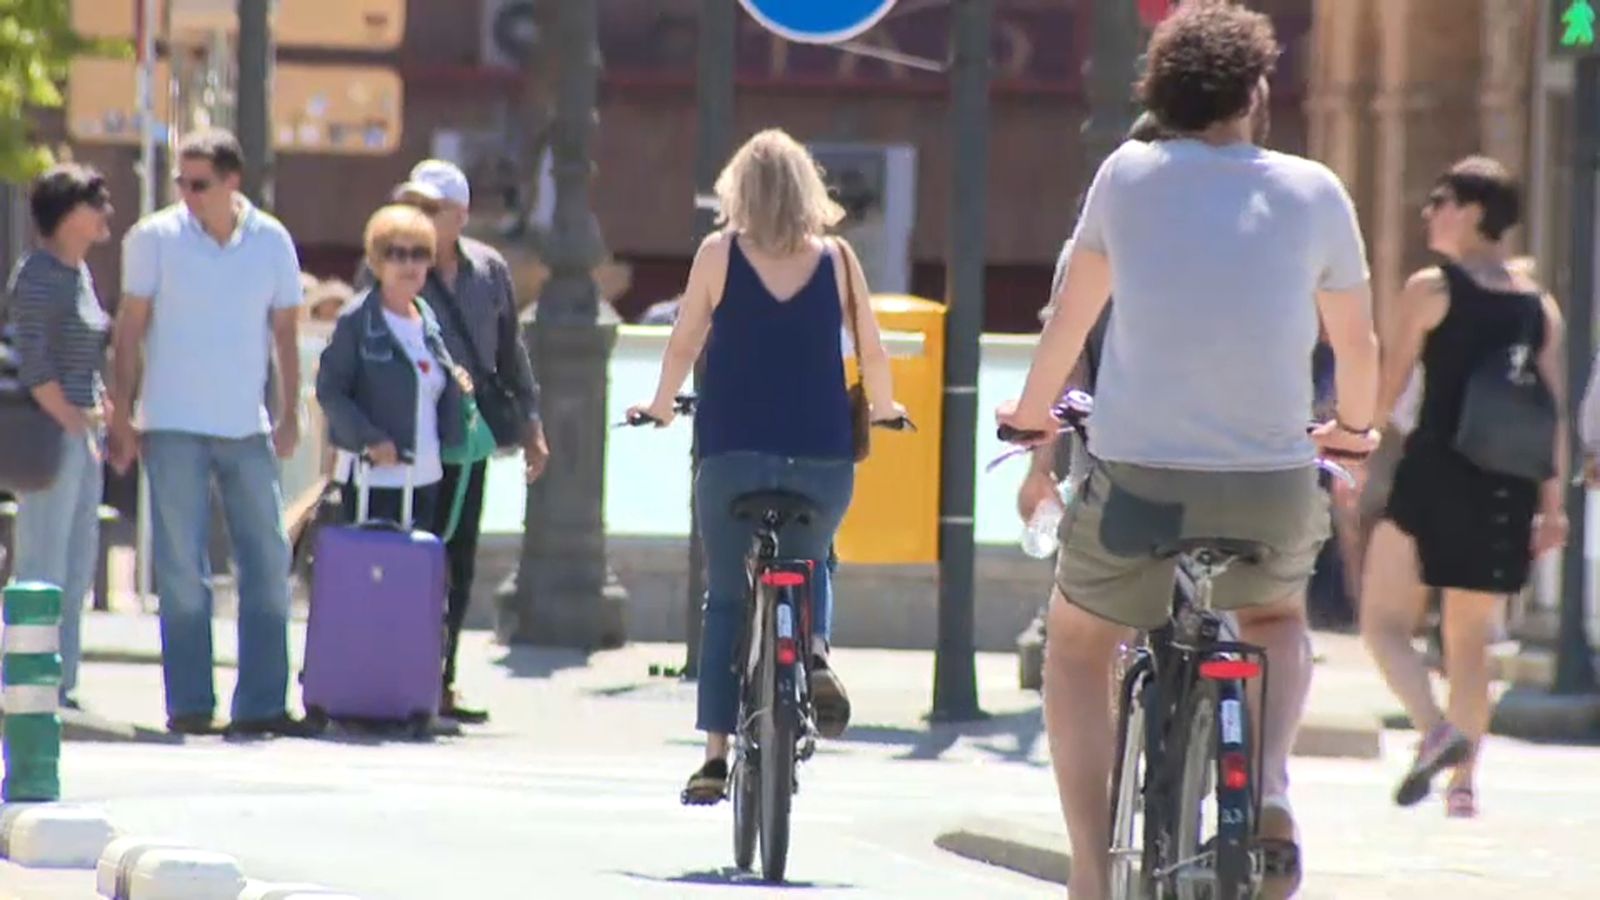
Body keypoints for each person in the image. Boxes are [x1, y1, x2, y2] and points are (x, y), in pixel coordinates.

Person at [996, 5, 1380, 898]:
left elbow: (1073, 319)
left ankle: (1092, 871)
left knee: (1079, 646)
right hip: (1273, 483)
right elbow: (1358, 348)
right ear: (1254, 91)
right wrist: (1352, 433)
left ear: (1162, 92)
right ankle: (1273, 788)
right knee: (1278, 620)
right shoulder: (1316, 189)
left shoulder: (1127, 176)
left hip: (1141, 489)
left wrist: (1030, 417)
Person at [628, 129, 903, 803]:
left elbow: (684, 338)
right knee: (814, 558)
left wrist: (661, 406)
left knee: (726, 596)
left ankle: (715, 755)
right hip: (822, 455)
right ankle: (812, 655)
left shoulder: (718, 254)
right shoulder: (838, 259)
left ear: (737, 192)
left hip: (731, 453)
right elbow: (870, 345)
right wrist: (889, 407)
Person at [1358, 157, 1567, 819]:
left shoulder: (1431, 289)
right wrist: (1552, 506)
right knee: (1468, 641)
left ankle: (1435, 730)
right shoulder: (1539, 305)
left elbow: (1388, 387)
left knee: (1383, 623)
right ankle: (1464, 786)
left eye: (1441, 200)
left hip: (1434, 475)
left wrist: (1355, 446)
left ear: (1474, 211)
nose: (1429, 212)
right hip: (1503, 488)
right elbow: (1550, 412)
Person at [109, 128, 310, 738]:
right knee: (180, 568)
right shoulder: (154, 239)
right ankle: (191, 702)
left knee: (268, 559)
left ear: (232, 182)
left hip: (244, 425)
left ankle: (262, 705)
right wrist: (123, 414)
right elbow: (129, 331)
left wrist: (290, 411)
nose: (186, 194)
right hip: (171, 424)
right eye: (181, 182)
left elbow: (285, 333)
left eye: (199, 183)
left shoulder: (271, 240)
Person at [378, 162, 547, 724]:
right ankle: (393, 676)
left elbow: (510, 352)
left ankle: (438, 682)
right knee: (402, 555)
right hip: (401, 442)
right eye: (411, 205)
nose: (416, 219)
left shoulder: (488, 270)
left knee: (458, 561)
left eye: (430, 209)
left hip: (466, 441)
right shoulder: (390, 260)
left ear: (459, 216)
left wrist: (531, 427)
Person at [4, 163, 115, 708]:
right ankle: (30, 680)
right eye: (94, 202)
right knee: (42, 561)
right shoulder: (38, 274)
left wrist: (98, 408)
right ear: (67, 213)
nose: (104, 213)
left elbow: (84, 353)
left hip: (82, 433)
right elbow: (33, 361)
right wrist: (71, 417)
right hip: (48, 436)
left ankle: (61, 682)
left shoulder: (81, 274)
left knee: (76, 561)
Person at [317, 205, 469, 532]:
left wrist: (453, 382)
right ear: (376, 261)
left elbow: (427, 382)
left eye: (419, 254)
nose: (409, 264)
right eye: (397, 254)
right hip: (372, 479)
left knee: (415, 578)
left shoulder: (427, 318)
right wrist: (370, 439)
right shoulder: (356, 319)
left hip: (426, 476)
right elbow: (330, 390)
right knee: (369, 580)